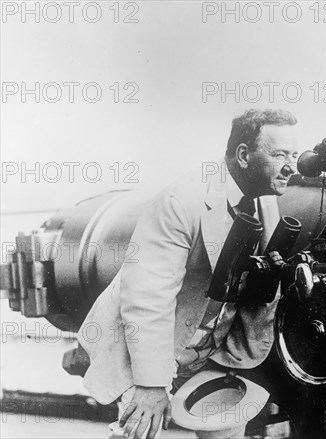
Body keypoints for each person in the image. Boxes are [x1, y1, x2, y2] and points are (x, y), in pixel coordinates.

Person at [77, 109, 299, 439]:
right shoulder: (181, 201)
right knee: (138, 431)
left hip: (210, 349)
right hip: (149, 344)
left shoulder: (264, 200)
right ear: (243, 155)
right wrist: (151, 386)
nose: (291, 167)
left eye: (294, 154)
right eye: (279, 154)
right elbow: (147, 297)